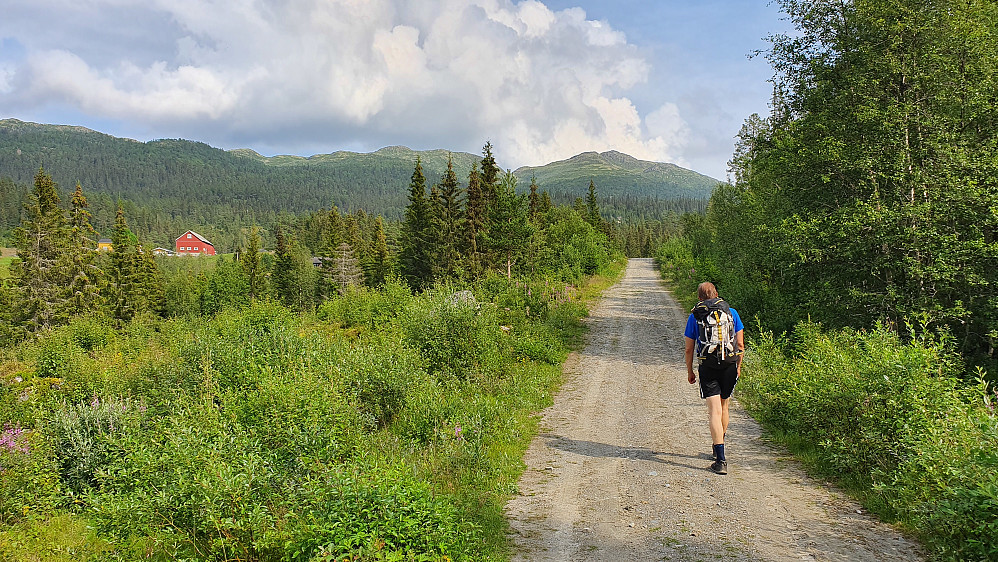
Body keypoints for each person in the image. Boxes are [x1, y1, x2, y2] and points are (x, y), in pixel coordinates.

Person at [684, 282, 744, 475]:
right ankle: (720, 443)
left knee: (713, 411)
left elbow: (689, 349)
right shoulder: (732, 313)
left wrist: (690, 371)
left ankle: (720, 459)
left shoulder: (696, 316)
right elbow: (740, 344)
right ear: (717, 294)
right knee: (724, 406)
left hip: (708, 366)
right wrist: (738, 366)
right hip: (729, 365)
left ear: (700, 298)